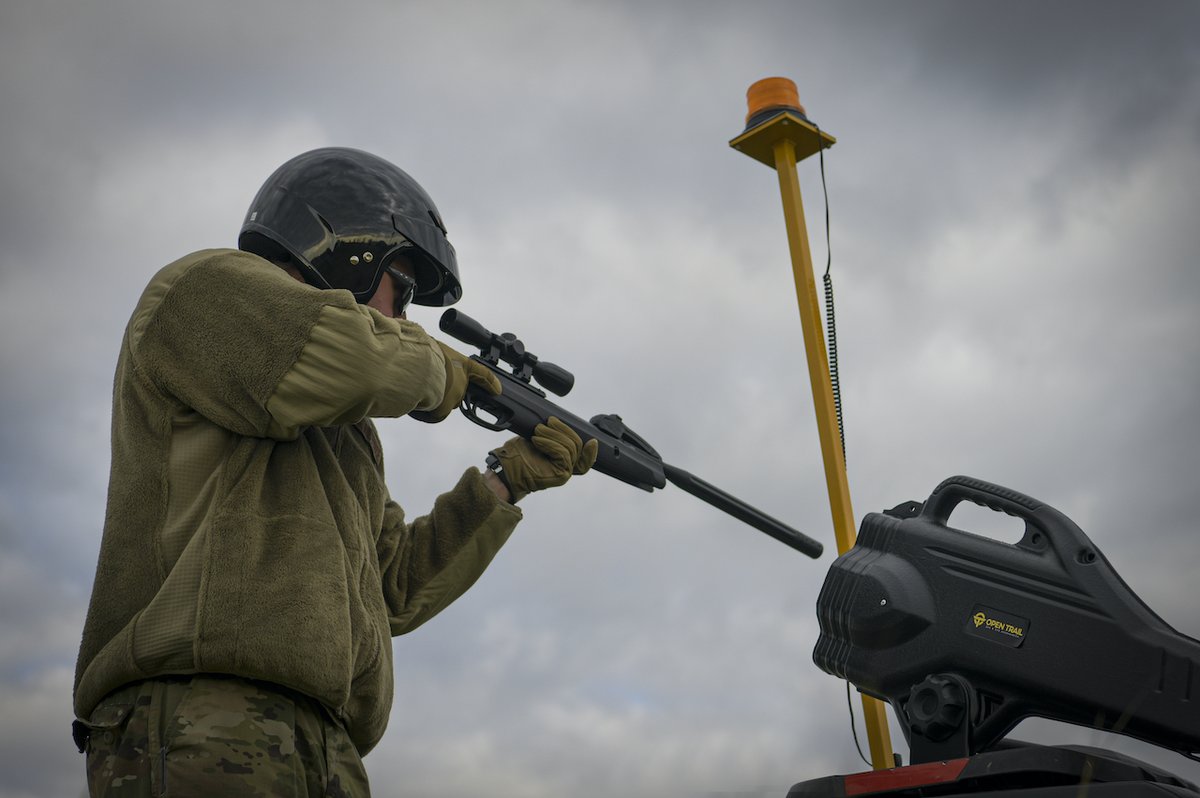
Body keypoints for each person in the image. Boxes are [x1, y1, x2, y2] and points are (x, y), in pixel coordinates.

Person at [72, 147, 597, 797]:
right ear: (349, 253)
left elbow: (392, 588)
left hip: (326, 742)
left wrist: (505, 483)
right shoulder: (207, 288)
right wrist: (452, 370)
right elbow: (355, 355)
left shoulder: (346, 433)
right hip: (202, 715)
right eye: (402, 289)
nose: (404, 319)